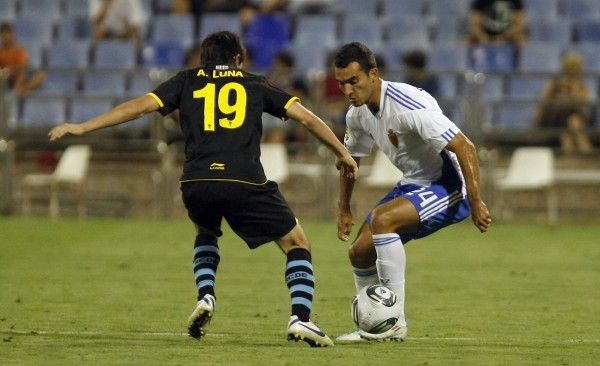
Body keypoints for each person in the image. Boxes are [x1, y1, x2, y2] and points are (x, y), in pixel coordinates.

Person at [48, 31, 358, 347]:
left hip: (195, 182)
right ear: (238, 59)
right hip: (243, 180)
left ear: (202, 59)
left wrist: (83, 126)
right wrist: (342, 152)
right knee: (296, 242)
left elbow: (140, 106)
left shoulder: (185, 80)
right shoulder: (254, 83)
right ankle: (300, 319)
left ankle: (206, 296)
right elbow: (305, 118)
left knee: (206, 231)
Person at [332, 42, 491, 342]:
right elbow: (349, 162)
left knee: (382, 220)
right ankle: (372, 325)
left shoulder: (407, 104)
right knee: (359, 253)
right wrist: (344, 208)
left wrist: (477, 200)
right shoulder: (357, 115)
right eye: (342, 84)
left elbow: (465, 147)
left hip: (448, 184)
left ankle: (394, 323)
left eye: (354, 81)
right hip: (414, 182)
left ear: (374, 74)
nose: (348, 90)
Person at [534, 52, 593, 154]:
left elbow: (584, 103)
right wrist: (537, 119)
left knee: (572, 123)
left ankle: (580, 156)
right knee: (570, 123)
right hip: (554, 118)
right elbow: (544, 101)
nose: (577, 70)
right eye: (573, 67)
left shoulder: (581, 85)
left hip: (573, 118)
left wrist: (574, 91)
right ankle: (585, 154)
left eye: (578, 67)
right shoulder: (555, 83)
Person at [0, 22, 45, 98]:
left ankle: (24, 89)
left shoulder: (19, 50)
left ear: (12, 35)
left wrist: (19, 82)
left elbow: (23, 67)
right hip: (6, 78)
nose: (6, 37)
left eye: (8, 34)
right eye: (4, 34)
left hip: (20, 77)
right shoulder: (1, 51)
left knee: (40, 74)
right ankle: (18, 90)